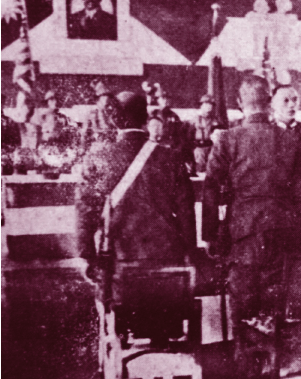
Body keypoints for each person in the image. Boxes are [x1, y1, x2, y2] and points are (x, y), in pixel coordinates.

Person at [202, 75, 301, 377]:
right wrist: (300, 232)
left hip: (243, 235)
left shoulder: (227, 139)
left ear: (240, 103)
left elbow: (211, 189)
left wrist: (210, 236)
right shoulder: (291, 140)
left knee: (244, 310)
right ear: (268, 102)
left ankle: (246, 370)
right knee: (274, 310)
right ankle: (271, 370)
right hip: (281, 234)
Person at [76, 91, 196, 344]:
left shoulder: (97, 158)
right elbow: (186, 213)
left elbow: (85, 212)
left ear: (114, 120)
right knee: (164, 321)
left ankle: (120, 344)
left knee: (116, 311)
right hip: (166, 263)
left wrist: (87, 256)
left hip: (119, 262)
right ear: (145, 118)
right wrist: (190, 253)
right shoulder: (171, 157)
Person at [183, 94, 221, 174]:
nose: (209, 107)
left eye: (211, 104)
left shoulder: (216, 121)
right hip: (198, 148)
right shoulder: (195, 120)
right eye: (206, 104)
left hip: (211, 148)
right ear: (201, 106)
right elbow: (188, 137)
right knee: (199, 168)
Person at [81, 81, 118, 149]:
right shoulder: (92, 115)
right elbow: (84, 137)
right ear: (98, 101)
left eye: (109, 100)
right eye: (102, 98)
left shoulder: (115, 115)